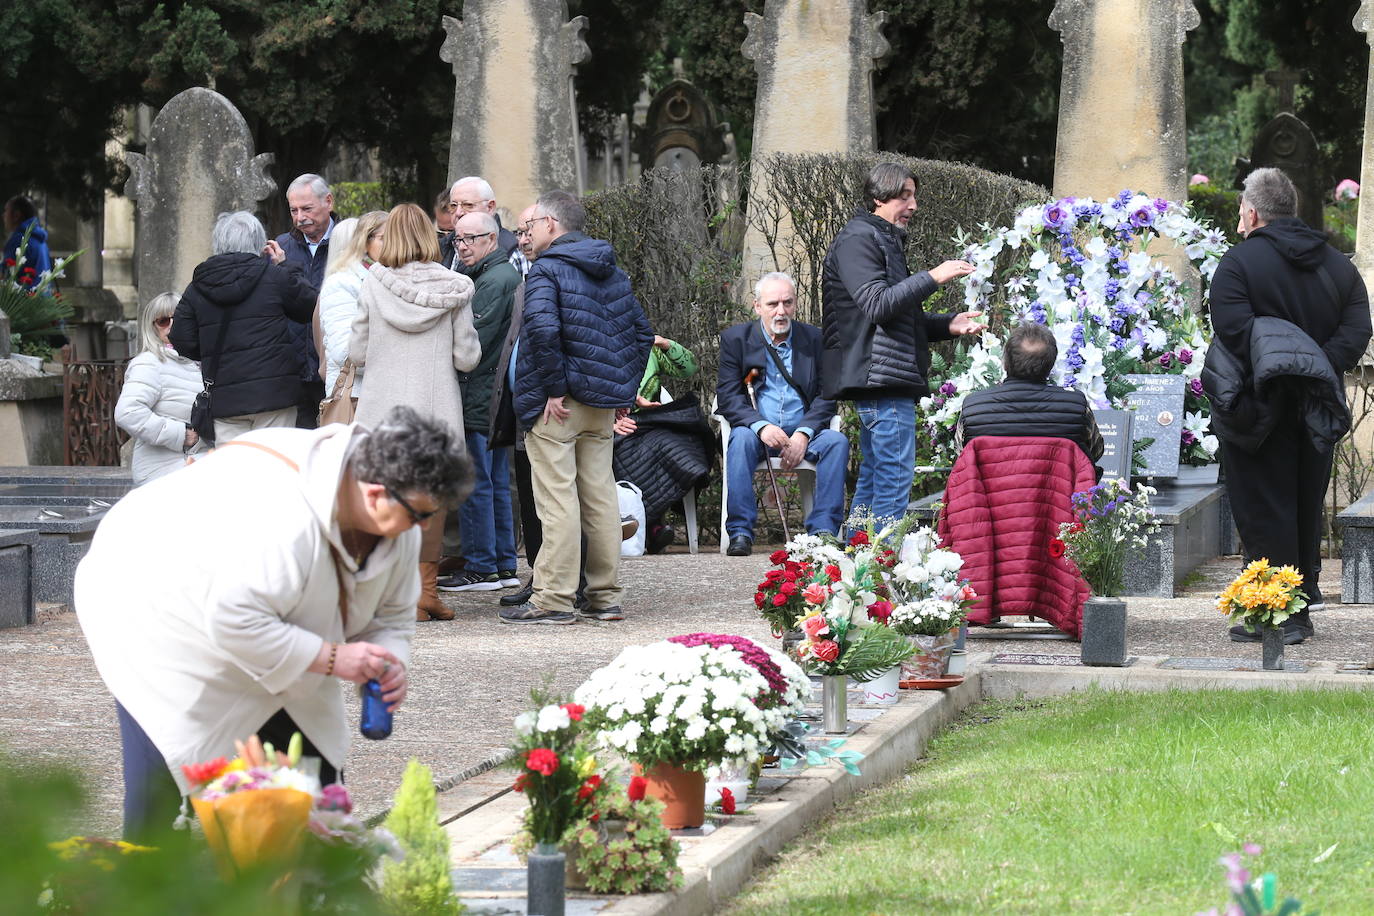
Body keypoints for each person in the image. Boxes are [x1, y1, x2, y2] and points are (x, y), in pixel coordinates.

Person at [75, 405, 472, 841]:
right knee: (171, 762)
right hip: (151, 597)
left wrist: (388, 661)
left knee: (313, 784)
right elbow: (233, 621)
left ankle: (309, 887)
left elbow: (393, 615)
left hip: (262, 618)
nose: (426, 526)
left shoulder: (398, 520)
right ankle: (143, 885)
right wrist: (335, 657)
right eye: (420, 514)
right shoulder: (285, 519)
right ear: (376, 493)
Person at [1206, 167, 1372, 645]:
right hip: (1316, 407)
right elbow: (1357, 328)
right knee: (1302, 500)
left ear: (1253, 212)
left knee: (1263, 508)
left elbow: (1235, 331)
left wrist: (1282, 369)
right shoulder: (1339, 266)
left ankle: (1284, 616)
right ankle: (1301, 596)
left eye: (1241, 209)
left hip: (1258, 408)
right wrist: (1317, 369)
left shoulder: (1238, 265)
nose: (1240, 218)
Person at [503, 190, 653, 624]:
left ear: (551, 223)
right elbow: (643, 335)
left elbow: (544, 329)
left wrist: (551, 389)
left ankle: (554, 599)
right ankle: (604, 597)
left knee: (557, 500)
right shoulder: (614, 271)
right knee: (601, 497)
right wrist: (623, 391)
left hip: (559, 404)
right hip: (602, 405)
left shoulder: (547, 269)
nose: (527, 235)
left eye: (530, 227)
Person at [820, 161, 983, 526]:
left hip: (882, 378)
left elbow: (896, 318)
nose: (913, 206)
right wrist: (934, 276)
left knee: (876, 478)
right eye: (904, 196)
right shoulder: (859, 238)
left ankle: (856, 564)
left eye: (914, 197)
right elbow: (877, 305)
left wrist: (948, 325)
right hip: (881, 381)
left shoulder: (880, 238)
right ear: (878, 197)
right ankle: (881, 566)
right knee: (893, 481)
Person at [350, 202, 480, 620]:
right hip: (434, 409)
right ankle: (425, 594)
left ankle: (392, 595)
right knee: (431, 503)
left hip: (382, 412)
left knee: (386, 501)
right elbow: (467, 357)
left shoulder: (373, 283)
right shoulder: (456, 287)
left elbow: (355, 351)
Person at [717, 272, 848, 556]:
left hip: (804, 431)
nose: (781, 311)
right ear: (757, 306)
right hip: (758, 433)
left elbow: (828, 394)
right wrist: (761, 426)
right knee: (739, 438)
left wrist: (803, 433)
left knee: (837, 443)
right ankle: (740, 532)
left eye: (787, 303)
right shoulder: (736, 340)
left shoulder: (815, 339)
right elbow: (728, 397)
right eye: (773, 303)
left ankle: (824, 530)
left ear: (795, 304)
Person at [169, 211, 316, 444]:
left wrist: (210, 352)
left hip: (226, 400)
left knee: (234, 476)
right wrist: (287, 266)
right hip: (274, 395)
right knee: (274, 471)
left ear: (218, 242)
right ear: (260, 243)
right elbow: (310, 308)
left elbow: (180, 337)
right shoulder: (274, 276)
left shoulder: (198, 286)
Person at [438, 210, 523, 592]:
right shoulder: (492, 275)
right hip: (490, 393)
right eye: (457, 239)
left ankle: (482, 566)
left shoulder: (493, 280)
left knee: (477, 482)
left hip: (479, 392)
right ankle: (503, 564)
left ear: (491, 238)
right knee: (494, 481)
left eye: (470, 239)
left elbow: (473, 342)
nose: (462, 246)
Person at [612, 332, 714, 554]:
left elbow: (688, 369)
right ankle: (651, 527)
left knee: (681, 447)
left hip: (651, 421)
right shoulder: (600, 348)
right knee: (629, 453)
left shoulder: (651, 350)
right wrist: (608, 422)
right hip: (611, 424)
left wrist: (664, 343)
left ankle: (651, 525)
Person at [956, 321, 1104, 464]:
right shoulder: (1076, 406)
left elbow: (961, 455)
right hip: (1060, 489)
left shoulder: (973, 408)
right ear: (1051, 365)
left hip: (987, 490)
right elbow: (1095, 453)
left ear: (1004, 362)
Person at [268, 174, 338, 429]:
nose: (299, 217)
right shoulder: (281, 247)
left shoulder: (350, 243)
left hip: (335, 368)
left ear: (328, 201)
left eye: (307, 208)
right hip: (292, 370)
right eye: (293, 210)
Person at [114, 293, 207, 485]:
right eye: (164, 320)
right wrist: (181, 435)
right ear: (153, 328)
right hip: (164, 471)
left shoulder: (200, 362)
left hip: (198, 463)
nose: (172, 324)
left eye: (179, 318)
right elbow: (128, 412)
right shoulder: (149, 363)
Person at [319, 211, 387, 404]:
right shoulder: (342, 283)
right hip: (354, 398)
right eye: (385, 238)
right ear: (365, 242)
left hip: (387, 396)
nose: (394, 244)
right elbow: (344, 352)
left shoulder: (396, 279)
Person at [440, 176, 524, 274]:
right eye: (453, 206)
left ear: (490, 207)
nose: (458, 213)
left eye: (468, 205)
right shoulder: (440, 246)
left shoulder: (511, 250)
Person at [3, 195, 52, 288]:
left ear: (16, 215)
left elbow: (5, 275)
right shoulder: (41, 240)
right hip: (41, 300)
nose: (3, 215)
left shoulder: (19, 240)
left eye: (6, 211)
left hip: (22, 301)